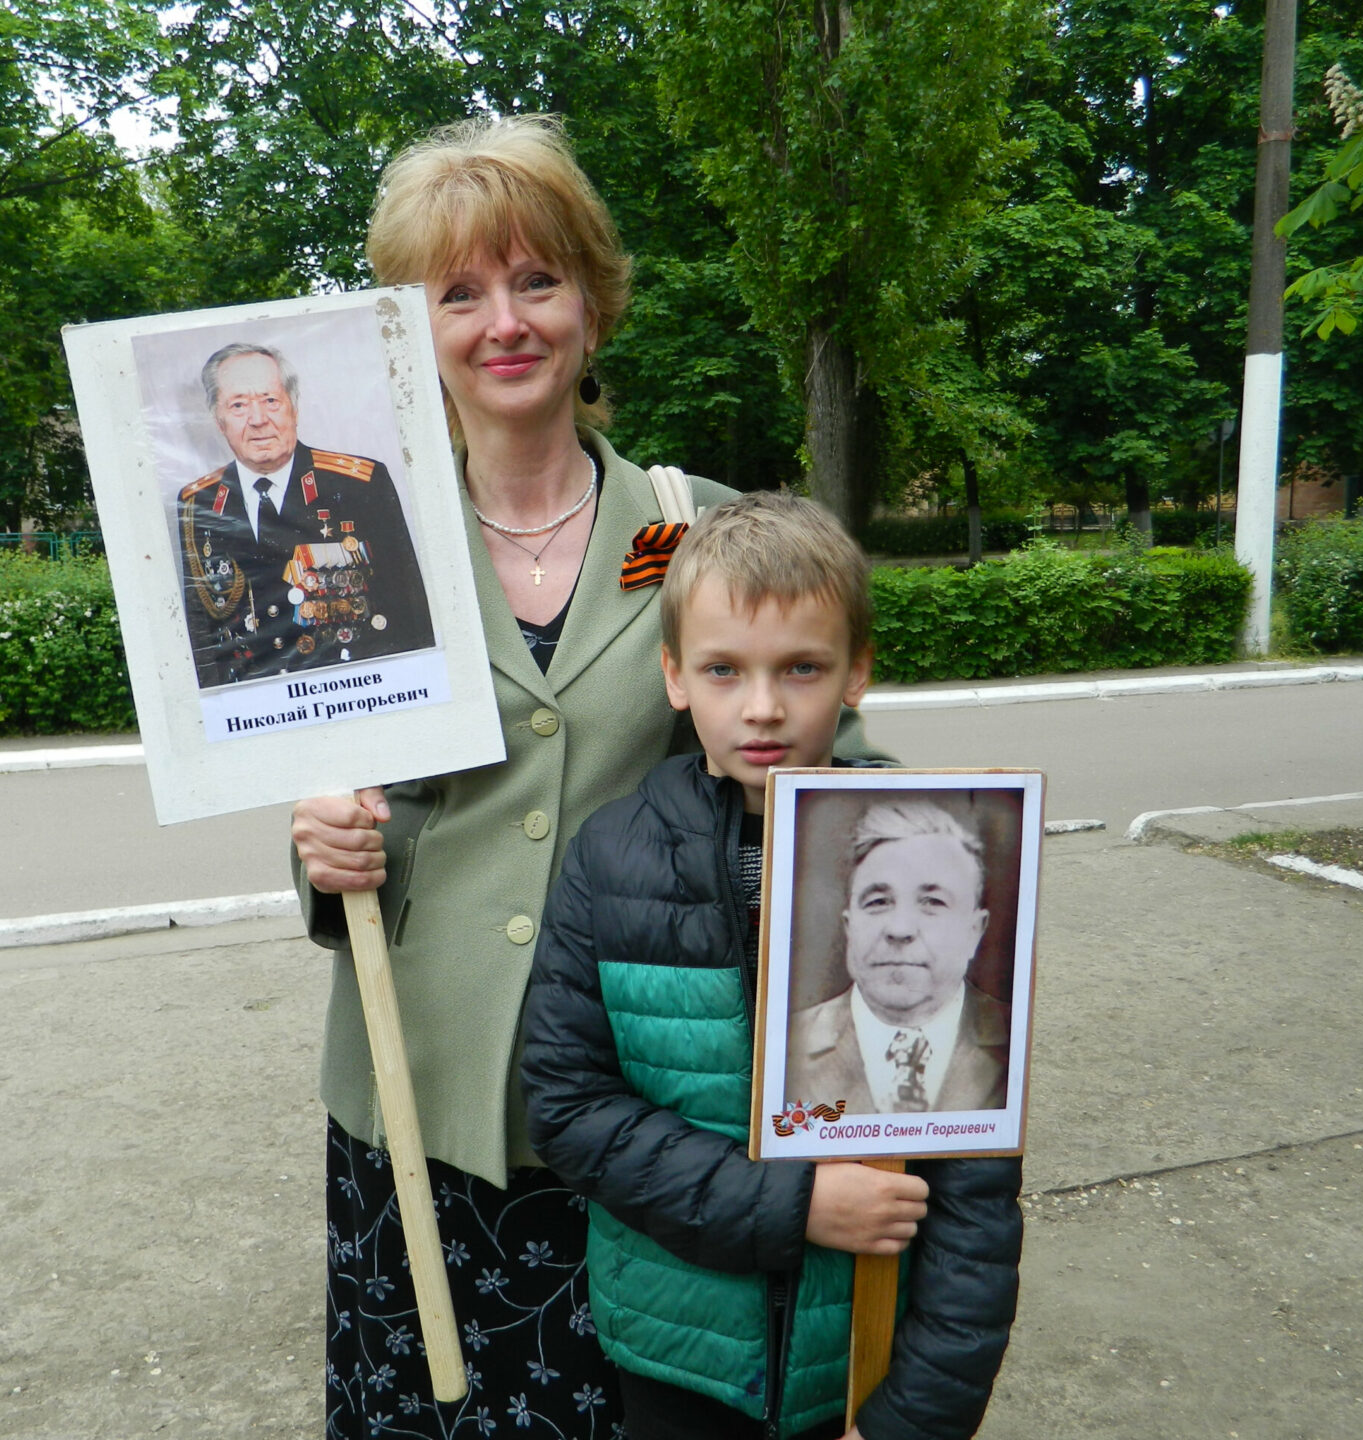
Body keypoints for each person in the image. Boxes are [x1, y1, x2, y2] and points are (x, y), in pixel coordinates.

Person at [288, 118, 880, 1438]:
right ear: (410, 329)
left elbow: (809, 759)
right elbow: (326, 774)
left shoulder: (697, 527)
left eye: (537, 281)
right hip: (417, 1092)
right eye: (460, 293)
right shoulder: (350, 543)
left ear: (592, 304)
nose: (504, 321)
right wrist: (320, 850)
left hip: (642, 1105)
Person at [521, 491, 1023, 1440]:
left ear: (856, 673)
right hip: (680, 1357)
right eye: (723, 669)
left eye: (801, 668)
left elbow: (977, 1195)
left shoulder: (941, 858)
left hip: (863, 1358)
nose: (762, 707)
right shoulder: (612, 857)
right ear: (674, 676)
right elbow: (570, 1107)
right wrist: (794, 1205)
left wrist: (916, 1414)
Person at [176, 342, 433, 687]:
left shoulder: (360, 484)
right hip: (251, 703)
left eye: (270, 400)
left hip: (354, 687)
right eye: (238, 405)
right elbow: (199, 629)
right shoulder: (198, 502)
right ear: (218, 420)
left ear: (293, 407)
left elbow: (410, 610)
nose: (257, 420)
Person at [787, 801, 1012, 1114]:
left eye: (933, 902)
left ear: (975, 930)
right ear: (849, 926)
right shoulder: (785, 1045)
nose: (900, 929)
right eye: (878, 901)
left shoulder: (1015, 1039)